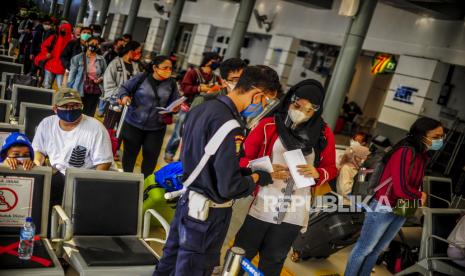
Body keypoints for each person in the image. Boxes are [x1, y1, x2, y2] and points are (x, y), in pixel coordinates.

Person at [153, 65, 281, 276]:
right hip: (207, 215)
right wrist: (258, 177)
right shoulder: (232, 126)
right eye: (267, 101)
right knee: (193, 270)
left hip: (188, 202)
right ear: (257, 95)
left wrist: (244, 172)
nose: (264, 106)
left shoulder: (203, 108)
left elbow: (203, 158)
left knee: (168, 264)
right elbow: (228, 187)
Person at [233, 79, 338, 276]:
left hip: (295, 210)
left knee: (273, 261)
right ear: (290, 99)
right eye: (298, 105)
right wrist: (266, 169)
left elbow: (331, 168)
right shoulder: (268, 125)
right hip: (264, 203)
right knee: (241, 254)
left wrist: (318, 173)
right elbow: (242, 159)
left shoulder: (323, 133)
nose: (302, 112)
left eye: (309, 109)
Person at [345, 117, 444, 276]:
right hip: (384, 205)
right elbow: (400, 187)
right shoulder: (405, 151)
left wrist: (416, 195)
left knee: (377, 250)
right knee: (364, 248)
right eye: (436, 137)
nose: (440, 140)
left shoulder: (422, 154)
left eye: (441, 136)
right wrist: (419, 194)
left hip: (404, 206)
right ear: (421, 135)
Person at [32, 88, 113, 214]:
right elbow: (39, 150)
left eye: (75, 105)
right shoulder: (47, 124)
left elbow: (103, 163)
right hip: (54, 173)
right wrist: (37, 166)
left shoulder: (96, 128)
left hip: (82, 177)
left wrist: (91, 187)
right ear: (55, 108)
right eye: (65, 106)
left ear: (81, 106)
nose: (70, 109)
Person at [117, 55, 179, 179]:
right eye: (165, 67)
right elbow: (124, 88)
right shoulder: (142, 78)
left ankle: (145, 184)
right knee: (130, 154)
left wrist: (174, 109)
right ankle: (126, 179)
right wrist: (124, 97)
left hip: (156, 127)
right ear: (155, 68)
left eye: (170, 68)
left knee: (151, 158)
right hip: (133, 123)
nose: (168, 71)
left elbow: (174, 101)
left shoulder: (171, 83)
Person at [163, 51, 222, 162]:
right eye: (215, 60)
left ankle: (182, 158)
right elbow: (185, 88)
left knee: (191, 136)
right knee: (178, 133)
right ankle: (169, 153)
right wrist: (199, 88)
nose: (217, 63)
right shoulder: (193, 73)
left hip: (202, 112)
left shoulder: (215, 78)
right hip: (188, 108)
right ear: (209, 61)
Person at [102, 41, 141, 129]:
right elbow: (108, 84)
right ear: (131, 51)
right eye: (138, 51)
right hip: (115, 100)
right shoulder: (115, 63)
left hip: (129, 103)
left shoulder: (136, 66)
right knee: (109, 126)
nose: (139, 54)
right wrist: (121, 95)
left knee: (122, 129)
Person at [67, 36, 106, 117]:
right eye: (92, 43)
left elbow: (105, 73)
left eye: (96, 44)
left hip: (95, 90)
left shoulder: (101, 59)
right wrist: (70, 90)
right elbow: (72, 76)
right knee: (75, 111)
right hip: (79, 88)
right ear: (87, 43)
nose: (94, 45)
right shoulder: (78, 58)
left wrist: (101, 78)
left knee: (89, 114)